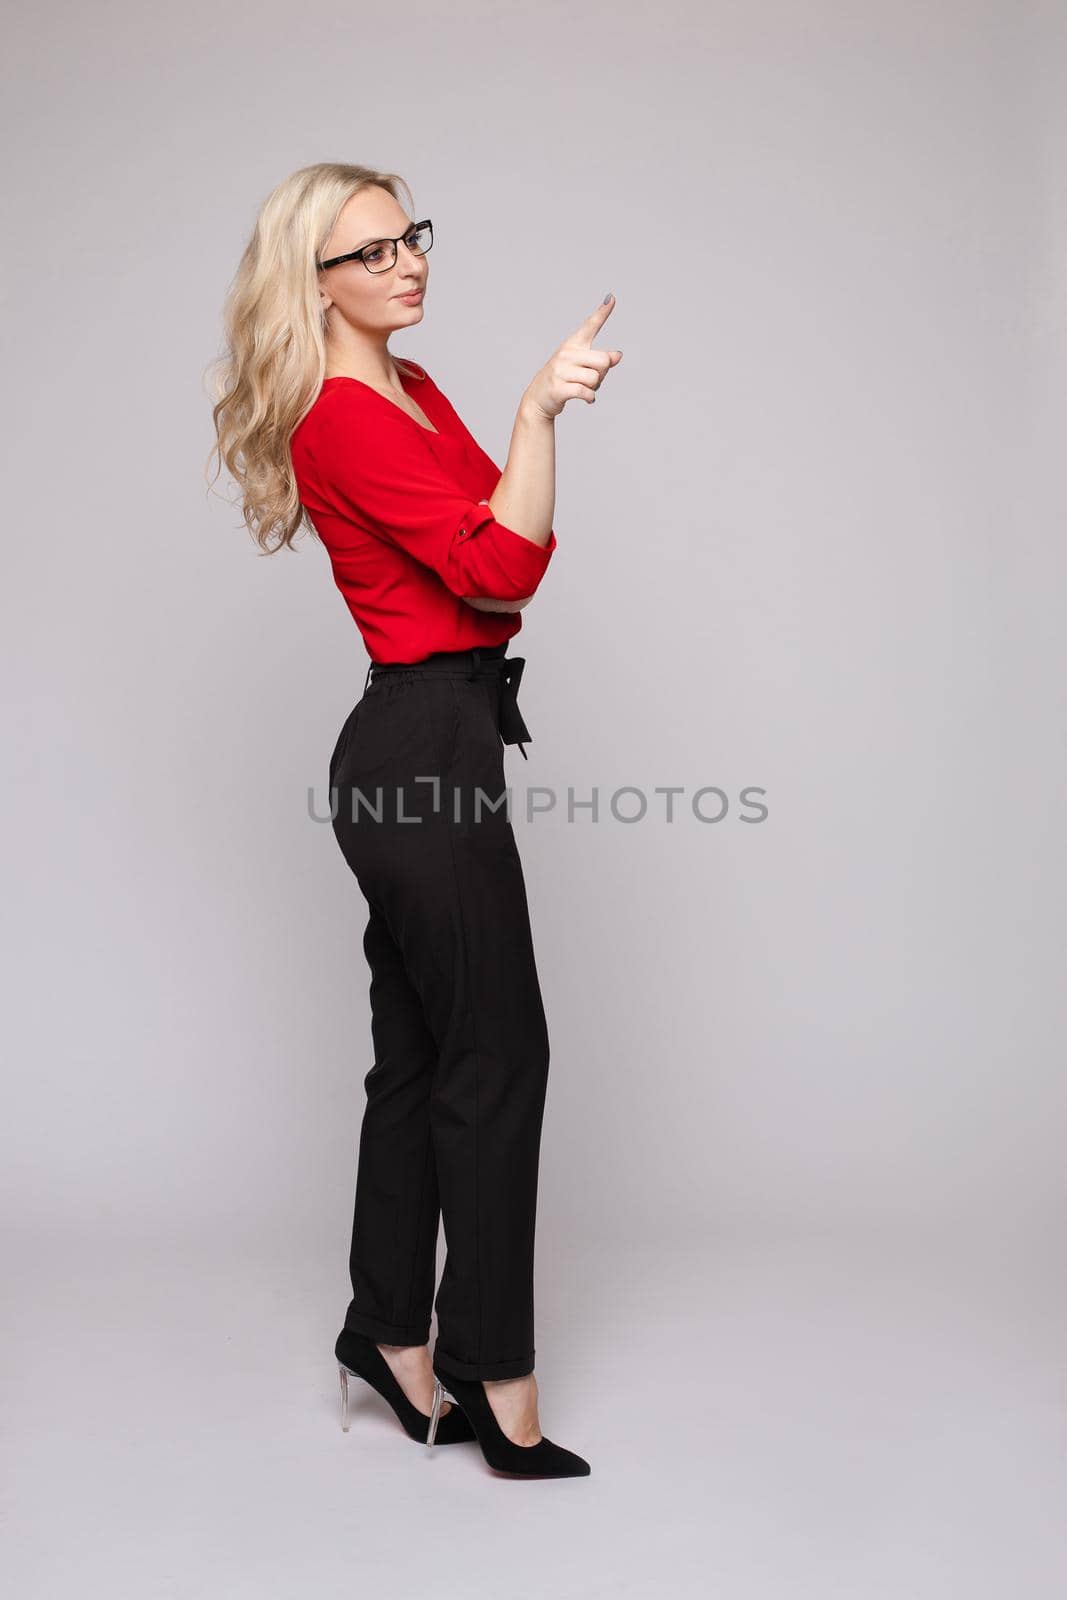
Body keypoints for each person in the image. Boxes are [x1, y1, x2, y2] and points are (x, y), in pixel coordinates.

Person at [207, 162, 621, 1478]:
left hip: (438, 737)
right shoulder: (343, 418)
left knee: (428, 1058)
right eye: (375, 252)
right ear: (313, 282)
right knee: (503, 1057)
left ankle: (384, 1328)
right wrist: (538, 414)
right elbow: (500, 563)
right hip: (418, 751)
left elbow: (503, 565)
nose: (410, 264)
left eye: (412, 239)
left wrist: (518, 436)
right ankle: (494, 1373)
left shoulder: (409, 389)